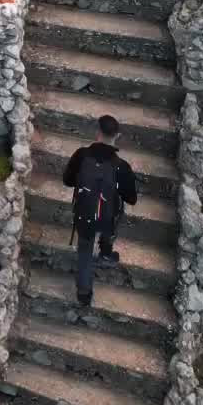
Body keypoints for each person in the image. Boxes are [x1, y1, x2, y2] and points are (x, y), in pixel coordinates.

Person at [62, 114, 138, 312]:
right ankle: (105, 250)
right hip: (107, 218)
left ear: (97, 133)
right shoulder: (121, 166)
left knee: (85, 251)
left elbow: (67, 180)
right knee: (116, 210)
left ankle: (84, 294)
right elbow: (131, 198)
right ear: (117, 136)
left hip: (85, 214)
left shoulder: (80, 155)